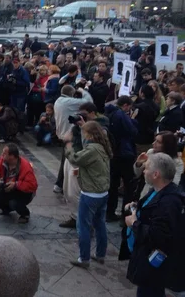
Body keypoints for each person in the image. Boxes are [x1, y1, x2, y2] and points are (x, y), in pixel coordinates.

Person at [125, 153, 184, 296]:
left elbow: (157, 235)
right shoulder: (159, 190)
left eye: (147, 167)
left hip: (153, 263)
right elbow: (151, 208)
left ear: (156, 174)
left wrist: (134, 223)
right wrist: (137, 206)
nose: (144, 170)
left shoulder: (169, 202)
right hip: (145, 258)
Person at [65, 121, 112, 268]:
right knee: (100, 224)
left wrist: (68, 148)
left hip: (91, 194)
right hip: (103, 192)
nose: (83, 135)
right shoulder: (104, 147)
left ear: (90, 135)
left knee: (83, 226)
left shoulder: (92, 149)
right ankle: (100, 254)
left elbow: (75, 159)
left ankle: (84, 258)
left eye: (84, 133)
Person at [105, 96, 139, 222]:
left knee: (113, 184)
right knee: (129, 184)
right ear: (126, 105)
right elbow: (133, 131)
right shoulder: (121, 115)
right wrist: (133, 120)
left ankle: (110, 211)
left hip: (113, 153)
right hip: (124, 153)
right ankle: (126, 214)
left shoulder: (109, 113)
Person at [0, 143, 38, 224]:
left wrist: (16, 184)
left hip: (22, 192)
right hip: (6, 189)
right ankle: (6, 209)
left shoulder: (25, 166)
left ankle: (25, 214)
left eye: (4, 153)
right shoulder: (2, 160)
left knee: (14, 203)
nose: (2, 155)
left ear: (12, 156)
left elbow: (32, 185)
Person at [133, 131, 182, 199]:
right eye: (154, 140)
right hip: (146, 192)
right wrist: (139, 164)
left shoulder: (177, 162)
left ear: (167, 145)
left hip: (162, 196)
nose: (153, 143)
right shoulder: (151, 152)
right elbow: (137, 173)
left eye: (158, 142)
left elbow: (174, 182)